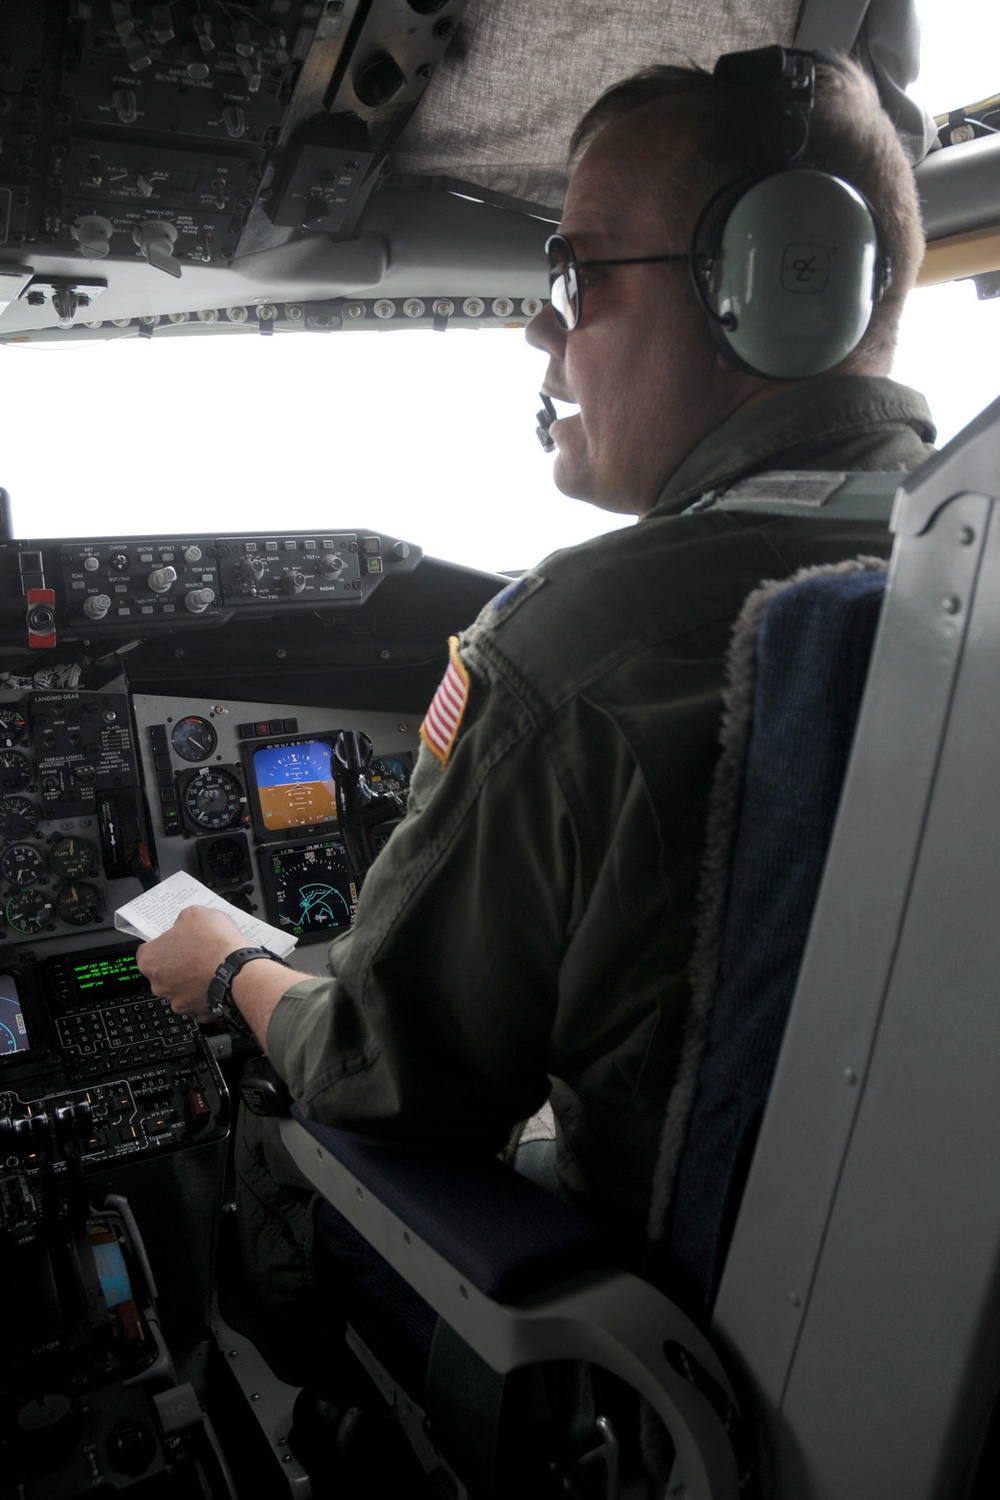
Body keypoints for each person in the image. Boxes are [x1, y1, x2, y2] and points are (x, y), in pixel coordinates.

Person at [137, 51, 935, 1352]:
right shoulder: (966, 569)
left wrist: (230, 965)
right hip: (879, 1288)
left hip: (661, 1338)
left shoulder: (577, 649)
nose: (537, 327)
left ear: (776, 288)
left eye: (579, 268)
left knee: (280, 1130)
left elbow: (390, 1082)